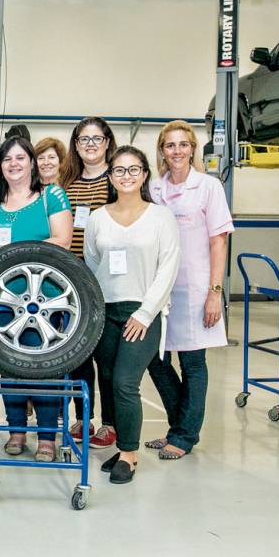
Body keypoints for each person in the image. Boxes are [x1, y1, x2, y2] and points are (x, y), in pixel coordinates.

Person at [0, 136, 73, 460]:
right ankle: (16, 432)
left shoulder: (51, 196)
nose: (14, 164)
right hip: (2, 301)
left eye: (20, 158)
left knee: (45, 369)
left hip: (45, 301)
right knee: (9, 366)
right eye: (7, 160)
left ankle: (46, 438)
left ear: (31, 161)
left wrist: (19, 258)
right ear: (0, 166)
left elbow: (63, 239)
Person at [85, 145, 180, 484]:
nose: (127, 176)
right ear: (111, 176)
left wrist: (145, 312)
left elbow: (168, 268)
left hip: (143, 312)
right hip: (106, 311)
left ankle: (129, 454)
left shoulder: (160, 217)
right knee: (109, 379)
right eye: (120, 170)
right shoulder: (98, 218)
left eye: (133, 169)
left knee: (126, 381)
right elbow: (93, 264)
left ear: (143, 174)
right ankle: (122, 445)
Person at [146, 121, 233, 460]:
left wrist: (215, 291)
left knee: (193, 363)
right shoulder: (154, 189)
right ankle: (179, 426)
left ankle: (184, 435)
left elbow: (218, 241)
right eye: (170, 145)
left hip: (196, 289)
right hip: (161, 289)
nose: (177, 151)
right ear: (162, 151)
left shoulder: (209, 187)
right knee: (155, 359)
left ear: (193, 149)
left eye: (183, 144)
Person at [61, 117, 118, 448]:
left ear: (108, 142)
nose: (91, 144)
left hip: (109, 279)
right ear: (77, 145)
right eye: (84, 139)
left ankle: (110, 423)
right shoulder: (67, 183)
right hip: (75, 279)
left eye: (97, 138)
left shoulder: (118, 180)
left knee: (107, 358)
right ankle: (84, 418)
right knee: (79, 356)